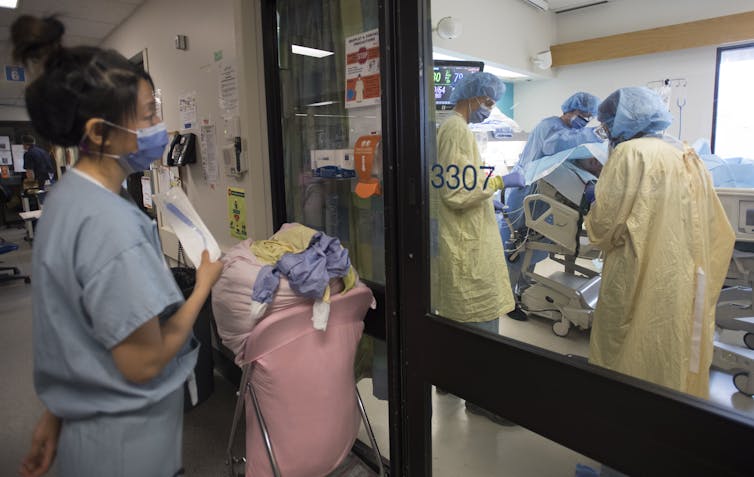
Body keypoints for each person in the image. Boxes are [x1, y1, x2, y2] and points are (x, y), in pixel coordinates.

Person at [13, 16, 223, 477]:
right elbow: (142, 361)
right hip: (126, 447)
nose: (159, 128)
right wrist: (202, 289)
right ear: (99, 132)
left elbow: (74, 327)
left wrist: (55, 415)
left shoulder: (68, 197)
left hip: (86, 429)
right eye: (148, 115)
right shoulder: (112, 226)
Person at [585, 87, 735, 399]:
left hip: (637, 273)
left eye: (607, 124)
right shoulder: (685, 154)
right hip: (683, 275)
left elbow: (603, 227)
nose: (607, 131)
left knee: (628, 349)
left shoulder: (629, 154)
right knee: (671, 348)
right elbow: (714, 225)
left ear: (622, 120)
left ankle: (623, 424)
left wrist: (592, 212)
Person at [433, 71, 523, 425]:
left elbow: (459, 180)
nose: (488, 108)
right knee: (481, 316)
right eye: (487, 102)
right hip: (466, 241)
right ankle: (483, 399)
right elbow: (456, 193)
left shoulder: (453, 128)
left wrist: (489, 198)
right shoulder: (456, 129)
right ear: (473, 97)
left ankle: (450, 380)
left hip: (462, 231)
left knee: (458, 320)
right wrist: (500, 181)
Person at [503, 91, 603, 320]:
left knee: (534, 248)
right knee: (517, 247)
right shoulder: (548, 126)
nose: (585, 120)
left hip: (547, 196)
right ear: (569, 109)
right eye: (582, 114)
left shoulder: (575, 131)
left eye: (589, 116)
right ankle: (507, 301)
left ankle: (524, 291)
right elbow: (554, 146)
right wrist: (593, 134)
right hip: (526, 191)